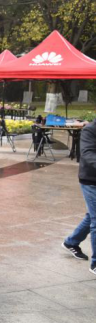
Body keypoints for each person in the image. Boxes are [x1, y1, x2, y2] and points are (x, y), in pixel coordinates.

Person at [63, 117, 96, 273]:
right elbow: (88, 154)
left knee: (92, 216)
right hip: (91, 181)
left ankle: (71, 242)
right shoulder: (90, 130)